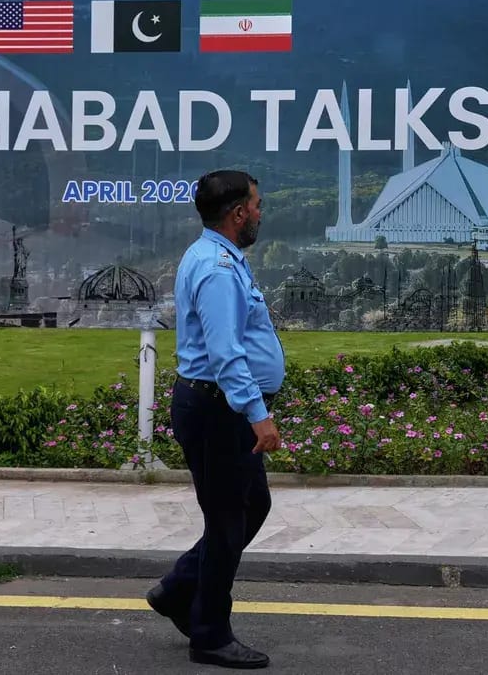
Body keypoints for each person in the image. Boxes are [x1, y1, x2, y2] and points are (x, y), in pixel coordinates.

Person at [147, 169, 284, 670]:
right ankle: (209, 633)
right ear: (238, 213)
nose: (261, 213)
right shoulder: (218, 270)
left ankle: (178, 589)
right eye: (257, 205)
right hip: (219, 408)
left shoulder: (214, 255)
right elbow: (226, 355)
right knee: (228, 521)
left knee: (252, 505)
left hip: (219, 406)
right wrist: (258, 415)